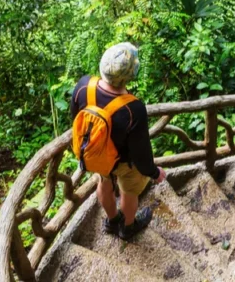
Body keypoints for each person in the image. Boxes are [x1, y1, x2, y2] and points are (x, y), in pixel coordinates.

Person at [70, 42, 166, 240]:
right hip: (123, 163)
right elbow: (141, 154)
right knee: (129, 192)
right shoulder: (133, 109)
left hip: (97, 155)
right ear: (131, 75)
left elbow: (76, 120)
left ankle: (112, 220)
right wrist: (154, 172)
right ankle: (128, 227)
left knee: (104, 182)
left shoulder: (83, 86)